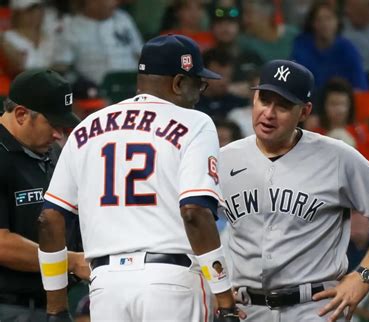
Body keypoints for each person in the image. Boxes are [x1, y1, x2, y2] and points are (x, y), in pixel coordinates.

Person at [37, 34, 244, 322]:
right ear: (178, 83)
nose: (200, 94)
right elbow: (195, 211)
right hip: (172, 282)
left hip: (106, 287)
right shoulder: (195, 123)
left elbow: (49, 219)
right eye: (199, 83)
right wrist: (225, 299)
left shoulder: (88, 127)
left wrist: (56, 308)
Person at [219, 59, 369, 322]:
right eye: (264, 100)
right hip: (247, 310)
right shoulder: (225, 159)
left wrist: (365, 275)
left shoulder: (338, 157)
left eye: (282, 105)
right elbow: (191, 224)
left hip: (313, 308)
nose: (269, 113)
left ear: (304, 112)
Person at [0, 69, 89, 322]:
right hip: (10, 306)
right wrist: (70, 261)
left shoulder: (52, 152)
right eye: (52, 124)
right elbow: (1, 244)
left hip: (56, 303)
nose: (58, 135)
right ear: (20, 114)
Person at [291, 1, 368, 90]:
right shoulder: (301, 45)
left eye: (329, 19)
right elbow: (295, 83)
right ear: (312, 23)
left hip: (339, 100)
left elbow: (360, 86)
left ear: (337, 21)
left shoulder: (348, 49)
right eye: (319, 19)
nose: (324, 24)